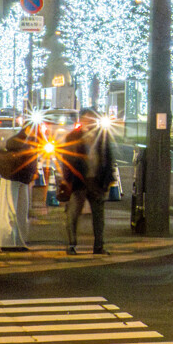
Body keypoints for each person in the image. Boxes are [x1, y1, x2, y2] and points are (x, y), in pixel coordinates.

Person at [60, 109, 116, 256]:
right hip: (78, 181)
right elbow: (66, 160)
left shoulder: (102, 136)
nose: (90, 121)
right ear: (82, 119)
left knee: (99, 217)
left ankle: (99, 246)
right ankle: (71, 245)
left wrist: (108, 180)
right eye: (87, 118)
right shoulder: (73, 136)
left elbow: (109, 158)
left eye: (92, 118)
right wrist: (67, 179)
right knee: (73, 215)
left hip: (96, 181)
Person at [0, 124, 40, 252]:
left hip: (23, 177)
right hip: (13, 176)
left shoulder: (34, 140)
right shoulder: (18, 139)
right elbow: (10, 145)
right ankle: (7, 241)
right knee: (10, 208)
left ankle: (18, 241)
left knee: (21, 209)